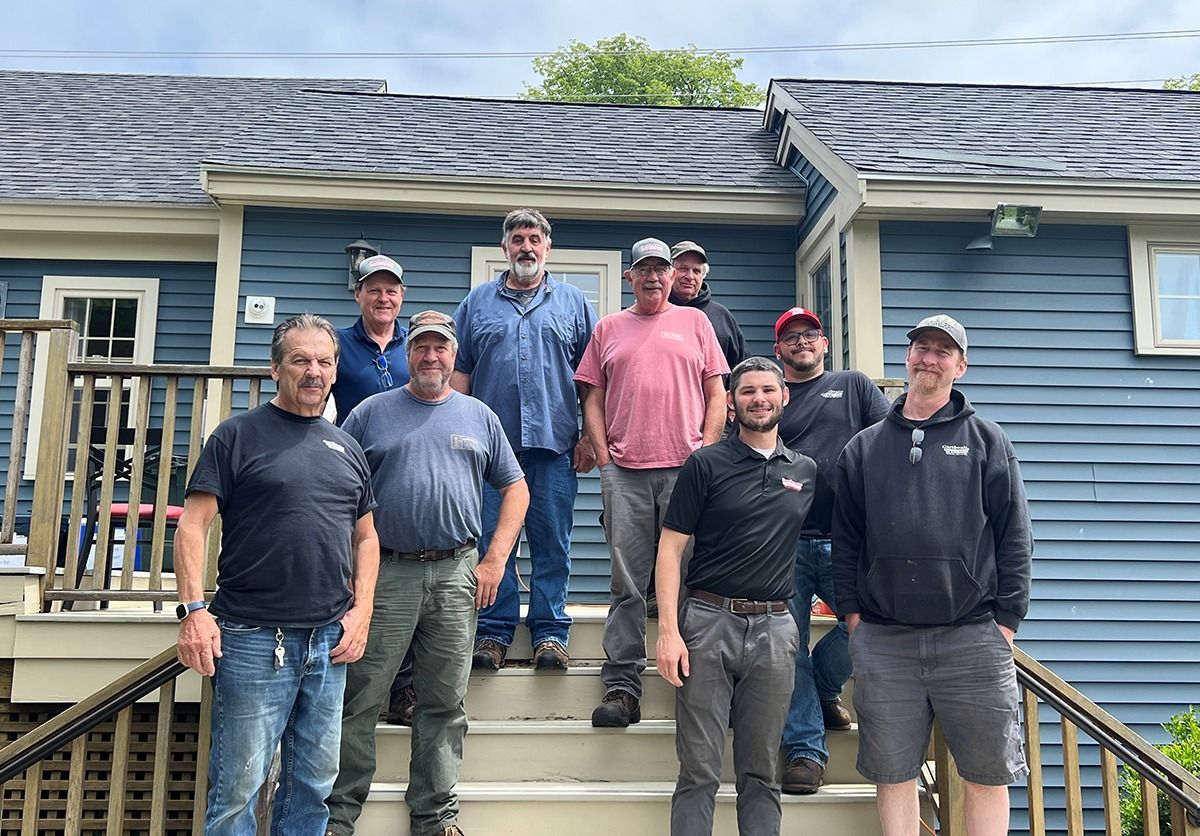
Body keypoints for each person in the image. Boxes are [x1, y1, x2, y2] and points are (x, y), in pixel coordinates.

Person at [326, 309, 530, 836]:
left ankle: (435, 815)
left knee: (443, 701)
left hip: (457, 574)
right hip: (386, 575)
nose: (431, 356)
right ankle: (337, 817)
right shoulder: (369, 414)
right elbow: (335, 487)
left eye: (440, 347)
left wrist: (495, 559)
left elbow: (516, 488)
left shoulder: (479, 416)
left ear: (453, 355)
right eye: (421, 347)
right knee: (360, 698)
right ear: (408, 354)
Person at [175, 314, 379, 836]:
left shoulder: (347, 447)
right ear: (275, 368)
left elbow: (366, 538)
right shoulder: (235, 436)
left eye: (324, 361)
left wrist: (362, 611)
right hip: (251, 637)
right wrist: (194, 611)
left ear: (335, 371)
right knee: (238, 788)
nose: (314, 371)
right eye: (300, 360)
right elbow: (193, 525)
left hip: (328, 641)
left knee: (314, 785)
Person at [832, 314, 1033, 836]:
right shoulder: (863, 448)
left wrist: (1006, 621)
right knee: (893, 773)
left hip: (973, 636)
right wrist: (853, 617)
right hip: (884, 639)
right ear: (907, 357)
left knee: (987, 774)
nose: (929, 358)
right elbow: (846, 541)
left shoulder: (988, 441)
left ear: (960, 367)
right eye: (921, 347)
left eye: (943, 352)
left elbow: (1015, 535)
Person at [655, 357, 817, 836]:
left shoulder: (805, 471)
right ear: (731, 401)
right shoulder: (705, 465)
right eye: (747, 391)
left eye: (767, 390)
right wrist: (668, 631)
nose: (758, 399)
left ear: (785, 396)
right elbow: (670, 549)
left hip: (776, 629)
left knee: (762, 772)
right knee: (698, 770)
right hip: (708, 622)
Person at [575, 237, 729, 728]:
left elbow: (717, 393)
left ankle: (692, 678)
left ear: (671, 276)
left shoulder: (696, 323)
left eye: (661, 269)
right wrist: (603, 457)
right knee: (627, 582)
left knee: (688, 579)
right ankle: (623, 684)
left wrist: (707, 452)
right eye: (644, 269)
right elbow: (592, 397)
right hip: (624, 472)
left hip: (686, 471)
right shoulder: (608, 328)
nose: (654, 277)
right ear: (630, 277)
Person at [452, 208, 597, 672]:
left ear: (548, 248)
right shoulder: (476, 303)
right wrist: (457, 440)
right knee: (493, 543)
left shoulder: (573, 302)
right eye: (518, 239)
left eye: (534, 239)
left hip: (555, 448)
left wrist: (590, 438)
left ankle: (550, 633)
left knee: (552, 542)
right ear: (505, 248)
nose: (526, 247)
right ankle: (493, 632)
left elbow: (592, 380)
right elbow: (460, 375)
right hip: (491, 453)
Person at [772, 306, 891, 795]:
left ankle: (824, 688)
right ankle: (805, 751)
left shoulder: (854, 385)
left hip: (850, 538)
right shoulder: (772, 395)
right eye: (791, 337)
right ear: (779, 349)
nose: (802, 341)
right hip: (786, 540)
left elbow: (889, 438)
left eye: (810, 334)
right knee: (788, 645)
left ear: (824, 343)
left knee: (871, 626)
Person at [330, 252, 417, 727]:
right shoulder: (339, 345)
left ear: (401, 296)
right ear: (358, 295)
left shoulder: (416, 345)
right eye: (374, 289)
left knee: (408, 577)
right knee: (363, 576)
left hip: (407, 477)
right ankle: (359, 680)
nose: (383, 297)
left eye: (391, 290)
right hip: (355, 476)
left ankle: (404, 688)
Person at [668, 240, 748, 372]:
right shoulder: (657, 312)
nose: (690, 276)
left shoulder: (722, 316)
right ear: (669, 273)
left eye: (696, 271)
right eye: (683, 269)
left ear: (703, 276)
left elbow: (743, 367)